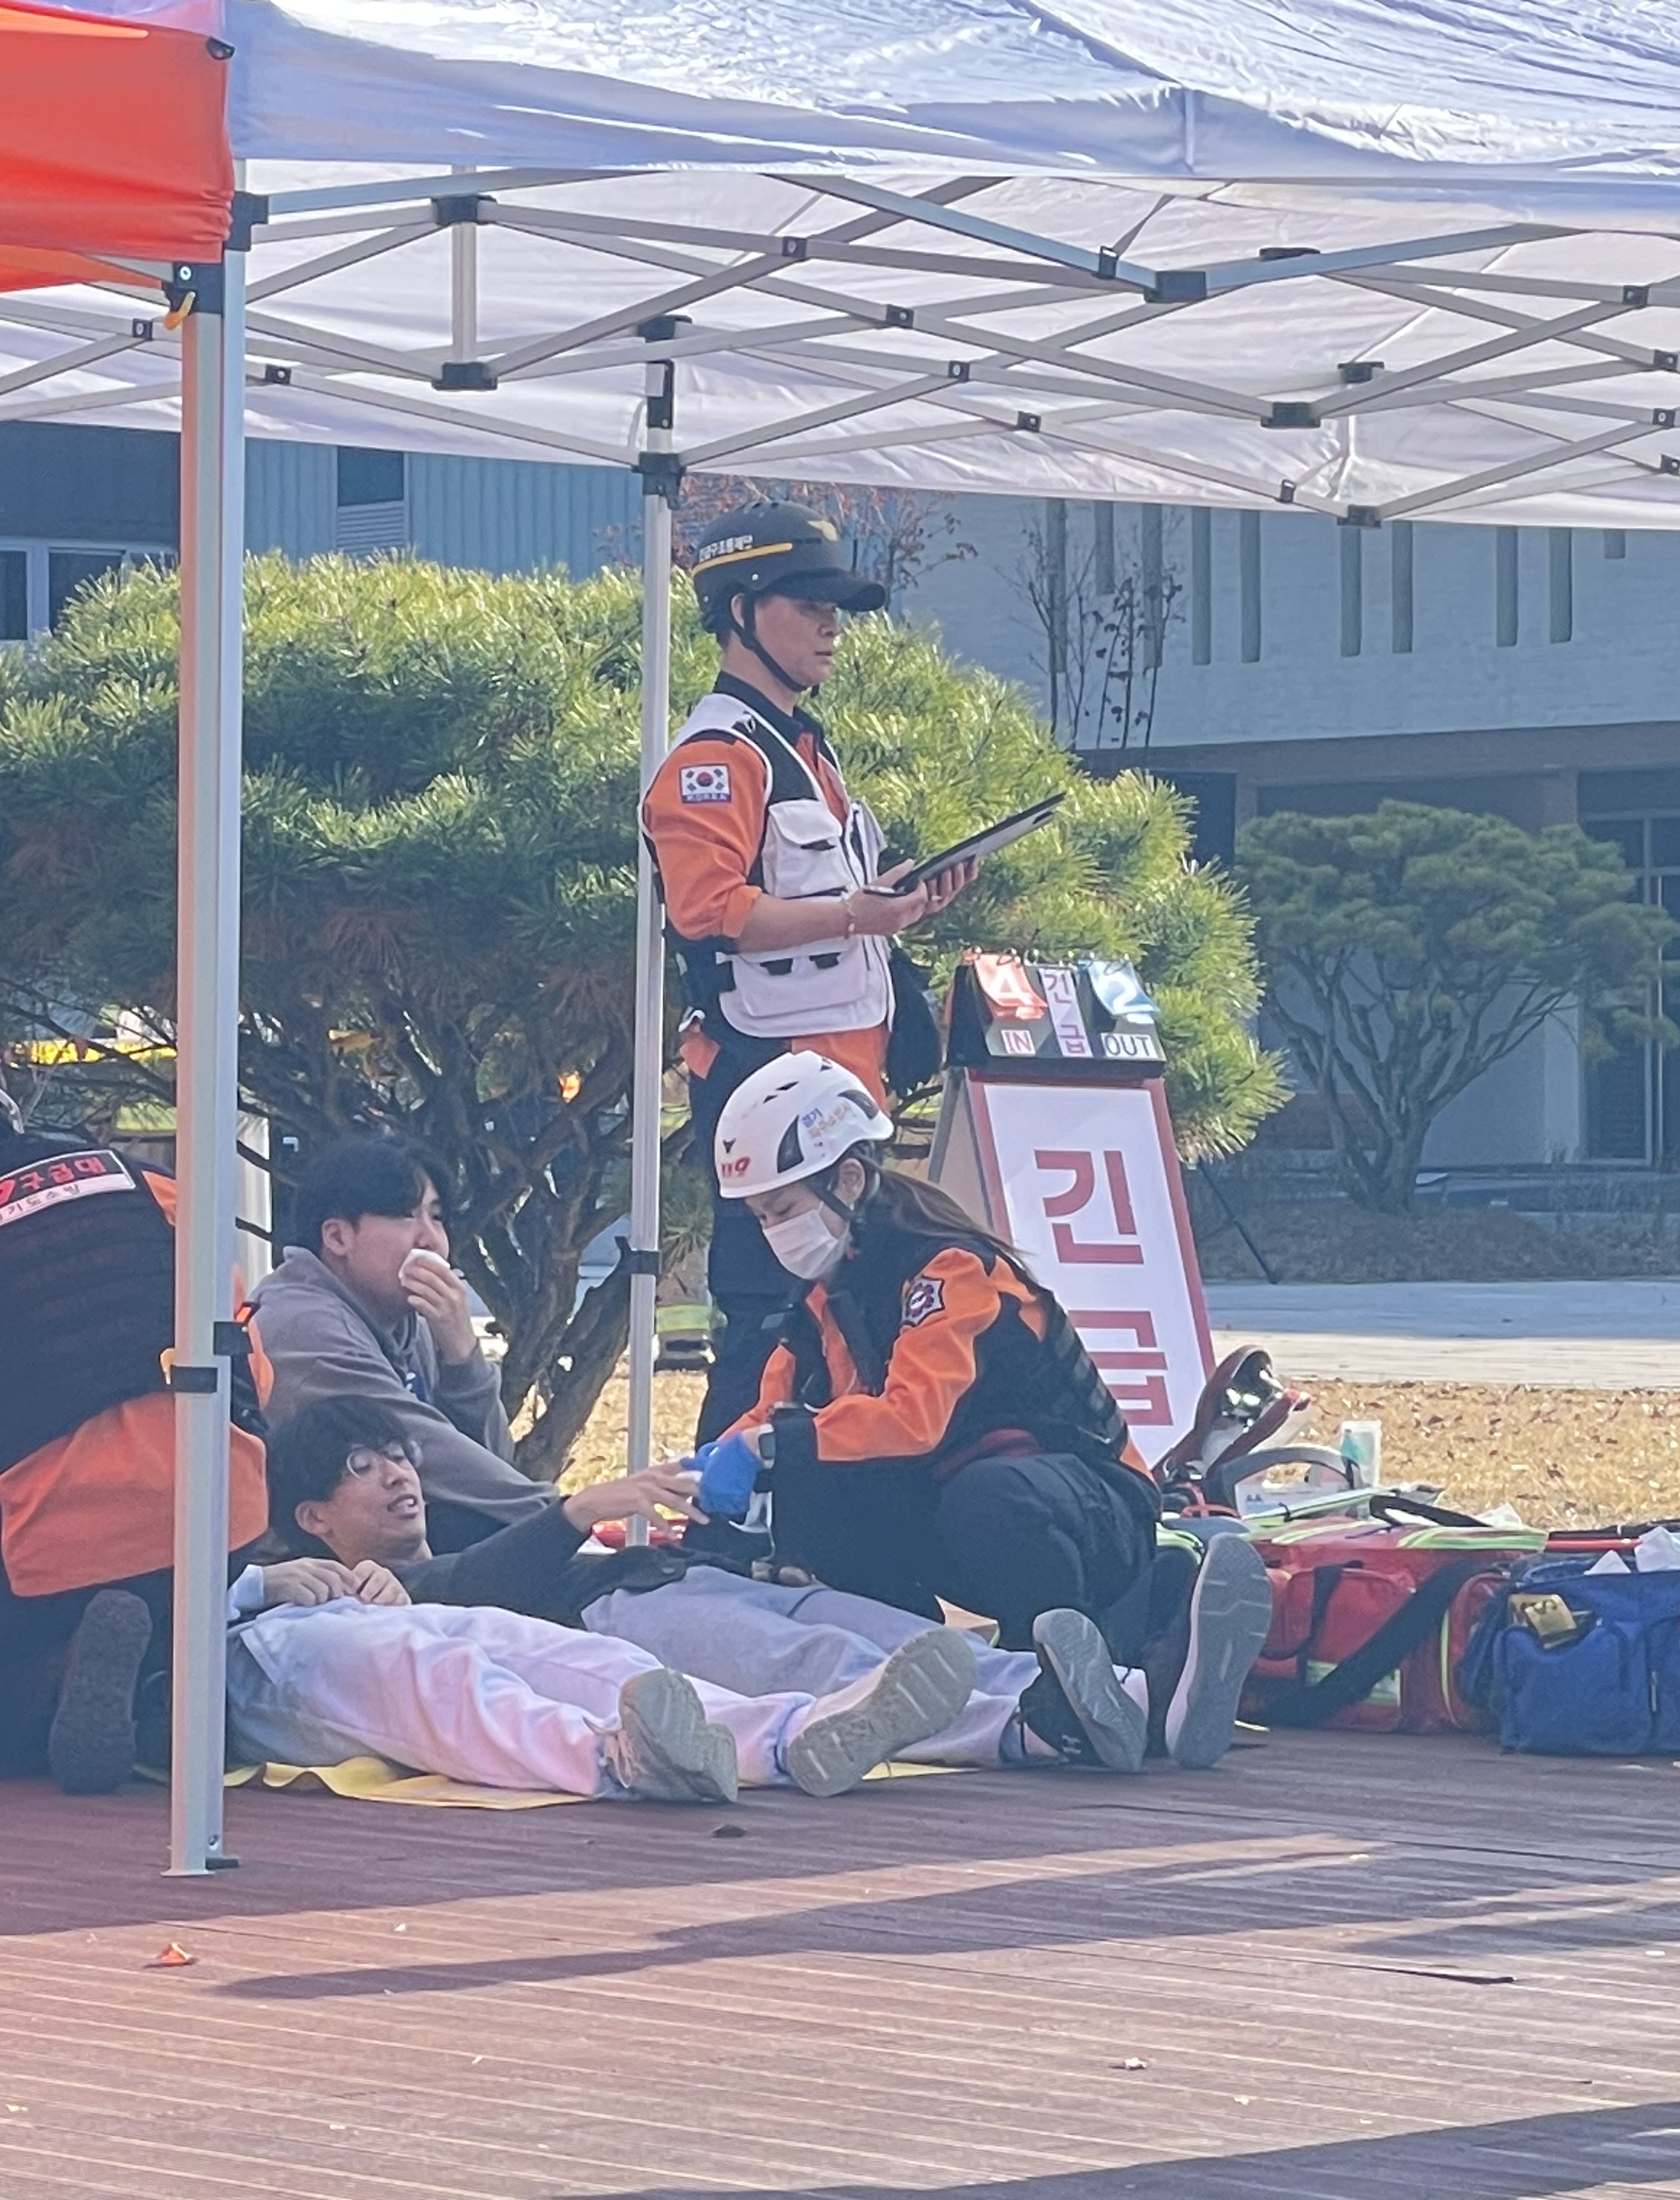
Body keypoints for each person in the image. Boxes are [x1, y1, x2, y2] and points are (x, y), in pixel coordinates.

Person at [690, 1054, 1266, 1746]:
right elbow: (776, 1410)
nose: (772, 1231)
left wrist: (768, 1444)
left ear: (847, 1179)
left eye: (783, 1209)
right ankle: (907, 1671)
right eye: (760, 1217)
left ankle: (1086, 1666)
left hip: (1087, 1508)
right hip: (973, 1516)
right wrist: (708, 1466)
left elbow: (914, 1418)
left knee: (984, 1494)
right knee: (814, 1480)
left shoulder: (950, 1269)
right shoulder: (824, 1299)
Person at [267, 1394, 1267, 1773]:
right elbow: (476, 1594)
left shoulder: (462, 1524)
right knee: (834, 1661)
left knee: (877, 1630)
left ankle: (1137, 1700)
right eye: (361, 1467)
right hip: (626, 1617)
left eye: (396, 1454)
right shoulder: (357, 1597)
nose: (395, 1474)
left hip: (680, 1580)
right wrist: (572, 1512)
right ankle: (1036, 1731)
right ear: (313, 1516)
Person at [641, 501, 974, 1442]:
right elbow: (708, 911)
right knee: (765, 1320)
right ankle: (714, 1505)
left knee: (839, 1322)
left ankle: (801, 1499)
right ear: (741, 610)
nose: (831, 625)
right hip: (766, 1080)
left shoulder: (804, 749)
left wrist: (903, 902)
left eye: (837, 607)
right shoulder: (716, 756)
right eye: (809, 603)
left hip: (836, 1089)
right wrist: (857, 914)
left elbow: (828, 908)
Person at [0, 1071, 271, 1790]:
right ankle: (160, 1693)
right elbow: (252, 1368)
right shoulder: (155, 1189)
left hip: (50, 1550)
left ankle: (67, 1678)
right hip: (223, 1514)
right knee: (154, 1602)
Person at [223, 1527, 974, 1806]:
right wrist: (256, 1582)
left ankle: (788, 1736)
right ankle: (615, 1758)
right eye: (366, 1464)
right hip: (235, 1646)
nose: (396, 1475)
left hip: (323, 1606)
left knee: (565, 1653)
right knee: (433, 1677)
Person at [250, 1134, 552, 1549]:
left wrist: (463, 1355)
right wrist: (564, 1517)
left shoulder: (409, 1317)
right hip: (295, 1567)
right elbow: (425, 1452)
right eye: (406, 1216)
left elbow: (491, 1461)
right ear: (337, 1237)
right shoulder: (303, 1327)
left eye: (437, 1217)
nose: (430, 1240)